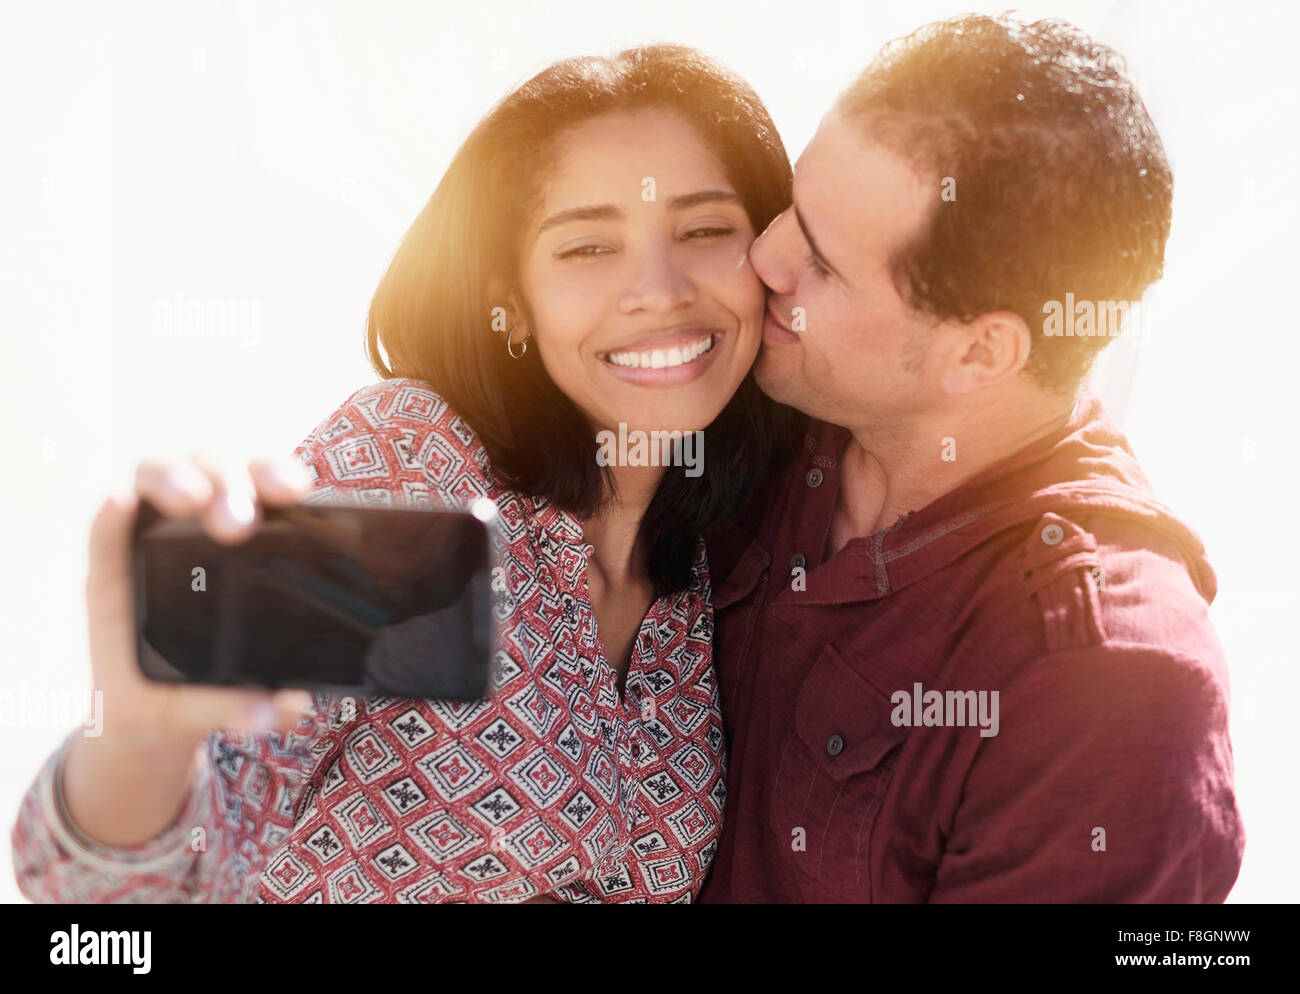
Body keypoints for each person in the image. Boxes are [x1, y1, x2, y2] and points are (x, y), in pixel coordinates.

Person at [11, 44, 799, 903]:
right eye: (586, 248)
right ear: (511, 299)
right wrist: (137, 742)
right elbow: (131, 876)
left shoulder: (712, 562)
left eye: (705, 229)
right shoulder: (415, 464)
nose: (659, 288)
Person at [699, 13, 1246, 903]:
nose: (764, 256)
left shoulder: (1108, 691)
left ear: (979, 355)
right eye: (795, 206)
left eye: (825, 265)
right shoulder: (761, 403)